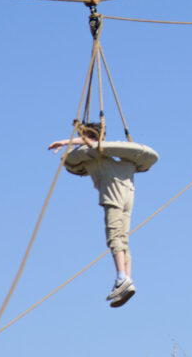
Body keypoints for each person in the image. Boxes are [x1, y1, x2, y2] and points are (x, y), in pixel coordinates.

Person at [48, 122, 158, 308]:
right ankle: (126, 279)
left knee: (114, 235)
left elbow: (90, 143)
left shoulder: (92, 153)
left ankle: (122, 277)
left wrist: (65, 142)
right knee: (123, 238)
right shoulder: (120, 159)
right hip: (128, 196)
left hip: (113, 195)